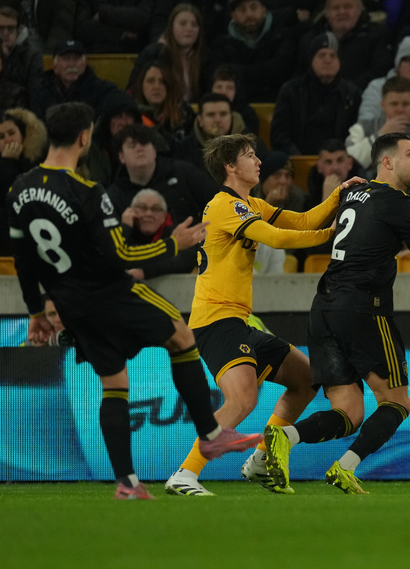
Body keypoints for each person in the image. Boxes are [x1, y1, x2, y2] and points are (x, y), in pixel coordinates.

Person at [6, 101, 260, 499]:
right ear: (85, 137)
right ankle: (210, 435)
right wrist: (171, 243)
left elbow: (22, 258)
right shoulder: (87, 191)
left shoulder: (19, 190)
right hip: (109, 291)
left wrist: (37, 310)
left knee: (114, 382)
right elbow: (119, 256)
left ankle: (126, 482)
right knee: (181, 335)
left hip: (69, 303)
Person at [262, 133, 410, 494]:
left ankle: (282, 438)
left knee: (349, 414)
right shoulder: (400, 203)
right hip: (363, 310)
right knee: (398, 402)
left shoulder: (352, 193)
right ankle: (346, 467)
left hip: (323, 307)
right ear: (387, 162)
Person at [163, 132, 364, 496]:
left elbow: (300, 222)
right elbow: (277, 238)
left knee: (305, 379)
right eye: (250, 156)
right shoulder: (225, 205)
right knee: (242, 399)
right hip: (215, 321)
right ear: (230, 166)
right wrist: (332, 234)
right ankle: (185, 473)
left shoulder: (251, 203)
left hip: (237, 321)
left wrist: (338, 196)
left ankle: (259, 461)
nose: (258, 162)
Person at [106, 123, 218, 224]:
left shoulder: (183, 172)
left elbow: (219, 203)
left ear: (154, 151)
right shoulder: (115, 194)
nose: (139, 149)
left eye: (144, 143)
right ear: (121, 157)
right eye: (132, 146)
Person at [271, 32, 360, 156]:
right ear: (311, 59)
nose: (327, 60)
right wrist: (300, 160)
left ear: (340, 61)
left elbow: (356, 136)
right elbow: (279, 135)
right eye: (322, 55)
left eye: (333, 55)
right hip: (299, 161)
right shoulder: (291, 91)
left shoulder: (351, 94)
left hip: (338, 164)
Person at [209, 0, 298, 103]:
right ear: (233, 16)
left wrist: (236, 71)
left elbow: (277, 73)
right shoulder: (221, 44)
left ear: (264, 10)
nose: (249, 14)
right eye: (242, 10)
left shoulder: (283, 36)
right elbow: (217, 76)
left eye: (253, 7)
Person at [347, 76, 410, 173]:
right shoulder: (363, 127)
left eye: (406, 104)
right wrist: (382, 133)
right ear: (383, 105)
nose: (400, 110)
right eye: (394, 104)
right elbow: (350, 161)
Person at [302, 0, 393, 91]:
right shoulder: (311, 38)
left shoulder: (377, 34)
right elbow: (301, 73)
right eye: (336, 8)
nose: (342, 12)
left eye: (348, 7)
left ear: (359, 10)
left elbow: (380, 72)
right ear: (327, 13)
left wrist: (346, 92)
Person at [134, 3, 208, 103]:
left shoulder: (204, 57)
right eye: (182, 23)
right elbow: (134, 89)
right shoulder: (153, 53)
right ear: (171, 27)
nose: (189, 29)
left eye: (194, 25)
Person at [32, 39, 121, 121]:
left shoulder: (102, 90)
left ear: (84, 64)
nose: (71, 64)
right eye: (66, 59)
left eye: (76, 59)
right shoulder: (41, 91)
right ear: (55, 66)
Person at [120, 187, 198, 277]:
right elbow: (113, 256)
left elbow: (183, 260)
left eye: (156, 209)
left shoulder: (177, 233)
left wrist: (144, 271)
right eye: (142, 207)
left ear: (164, 215)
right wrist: (125, 228)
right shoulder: (119, 233)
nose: (148, 213)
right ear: (130, 211)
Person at [0, 108, 48, 255]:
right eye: (1, 137)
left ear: (23, 134)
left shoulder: (39, 162)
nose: (8, 140)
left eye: (12, 133)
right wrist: (7, 163)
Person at [129, 62, 195, 146]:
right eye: (150, 81)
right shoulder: (132, 114)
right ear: (141, 85)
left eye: (162, 82)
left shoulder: (185, 114)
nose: (156, 86)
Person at [0, 7, 45, 94]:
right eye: (1, 28)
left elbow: (35, 89)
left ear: (18, 30)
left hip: (22, 103)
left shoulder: (32, 55)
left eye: (10, 28)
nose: (5, 33)